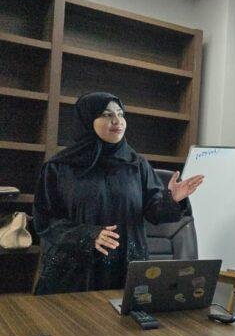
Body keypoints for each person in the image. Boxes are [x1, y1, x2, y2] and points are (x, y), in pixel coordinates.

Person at [33, 92, 204, 294]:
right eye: (107, 115)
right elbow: (45, 221)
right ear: (86, 120)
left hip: (125, 271)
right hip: (74, 275)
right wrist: (89, 235)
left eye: (121, 114)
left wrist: (172, 199)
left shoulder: (136, 165)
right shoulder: (59, 168)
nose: (117, 121)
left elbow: (155, 213)